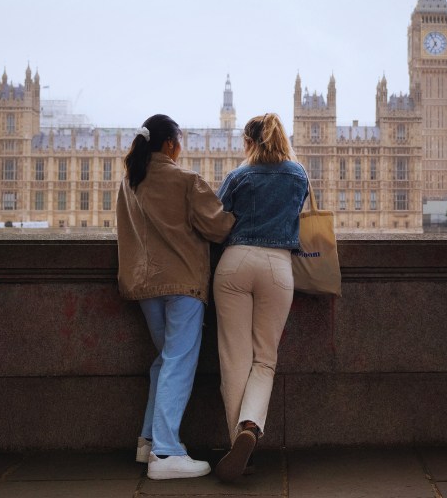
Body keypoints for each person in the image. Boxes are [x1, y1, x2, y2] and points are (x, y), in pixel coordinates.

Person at [116, 114, 236, 480]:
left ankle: (148, 441)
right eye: (180, 142)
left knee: (164, 361)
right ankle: (167, 454)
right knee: (179, 363)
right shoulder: (185, 180)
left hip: (144, 285)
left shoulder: (129, 182)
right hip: (181, 284)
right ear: (170, 144)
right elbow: (219, 226)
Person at [212, 113, 307, 482]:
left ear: (249, 142)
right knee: (264, 359)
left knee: (234, 360)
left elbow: (217, 220)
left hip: (235, 264)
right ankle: (250, 426)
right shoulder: (298, 174)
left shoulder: (239, 176)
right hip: (278, 268)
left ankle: (238, 444)